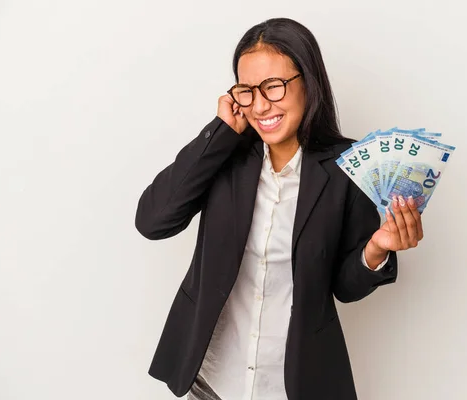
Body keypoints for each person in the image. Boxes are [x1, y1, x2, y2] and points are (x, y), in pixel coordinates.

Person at [135, 17, 424, 400]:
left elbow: (344, 288)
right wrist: (220, 130)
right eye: (247, 90)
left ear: (308, 81)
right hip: (214, 381)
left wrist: (376, 250)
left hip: (294, 384)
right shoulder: (225, 155)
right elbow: (154, 221)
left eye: (273, 86)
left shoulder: (348, 167)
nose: (260, 105)